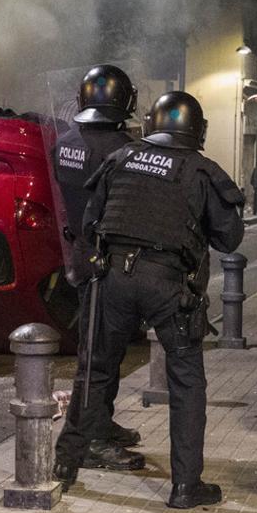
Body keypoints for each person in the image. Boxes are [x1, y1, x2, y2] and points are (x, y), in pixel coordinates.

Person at [54, 91, 245, 508]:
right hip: (168, 287)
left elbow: (90, 223)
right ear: (196, 130)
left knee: (95, 370)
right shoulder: (201, 170)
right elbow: (229, 238)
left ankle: (64, 465)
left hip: (113, 282)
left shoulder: (120, 159)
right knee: (186, 382)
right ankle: (185, 487)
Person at [51, 65, 143, 475]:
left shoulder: (65, 142)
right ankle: (90, 442)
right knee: (101, 357)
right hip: (109, 262)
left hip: (82, 255)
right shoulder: (123, 150)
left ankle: (100, 424)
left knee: (103, 351)